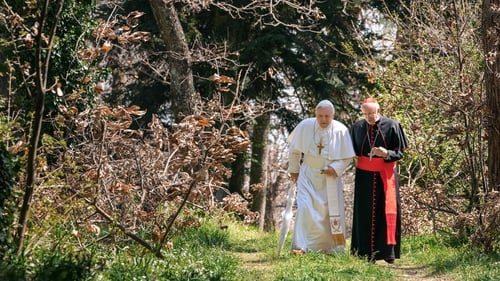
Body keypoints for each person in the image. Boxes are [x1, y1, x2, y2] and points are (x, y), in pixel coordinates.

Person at [287, 100, 355, 254]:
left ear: (333, 115)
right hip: (308, 174)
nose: (323, 120)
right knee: (304, 208)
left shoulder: (341, 130)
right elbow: (295, 150)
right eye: (320, 116)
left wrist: (335, 168)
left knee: (327, 213)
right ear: (315, 114)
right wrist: (294, 170)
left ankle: (329, 248)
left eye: (327, 116)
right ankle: (301, 246)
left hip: (329, 178)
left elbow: (347, 157)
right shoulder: (305, 126)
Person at [349, 98, 409, 263]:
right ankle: (364, 253)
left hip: (386, 174)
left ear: (378, 111)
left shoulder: (392, 125)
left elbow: (400, 153)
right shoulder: (357, 127)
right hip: (364, 176)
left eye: (372, 113)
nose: (369, 117)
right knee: (364, 214)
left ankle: (387, 253)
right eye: (366, 114)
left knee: (387, 212)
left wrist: (386, 153)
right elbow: (349, 151)